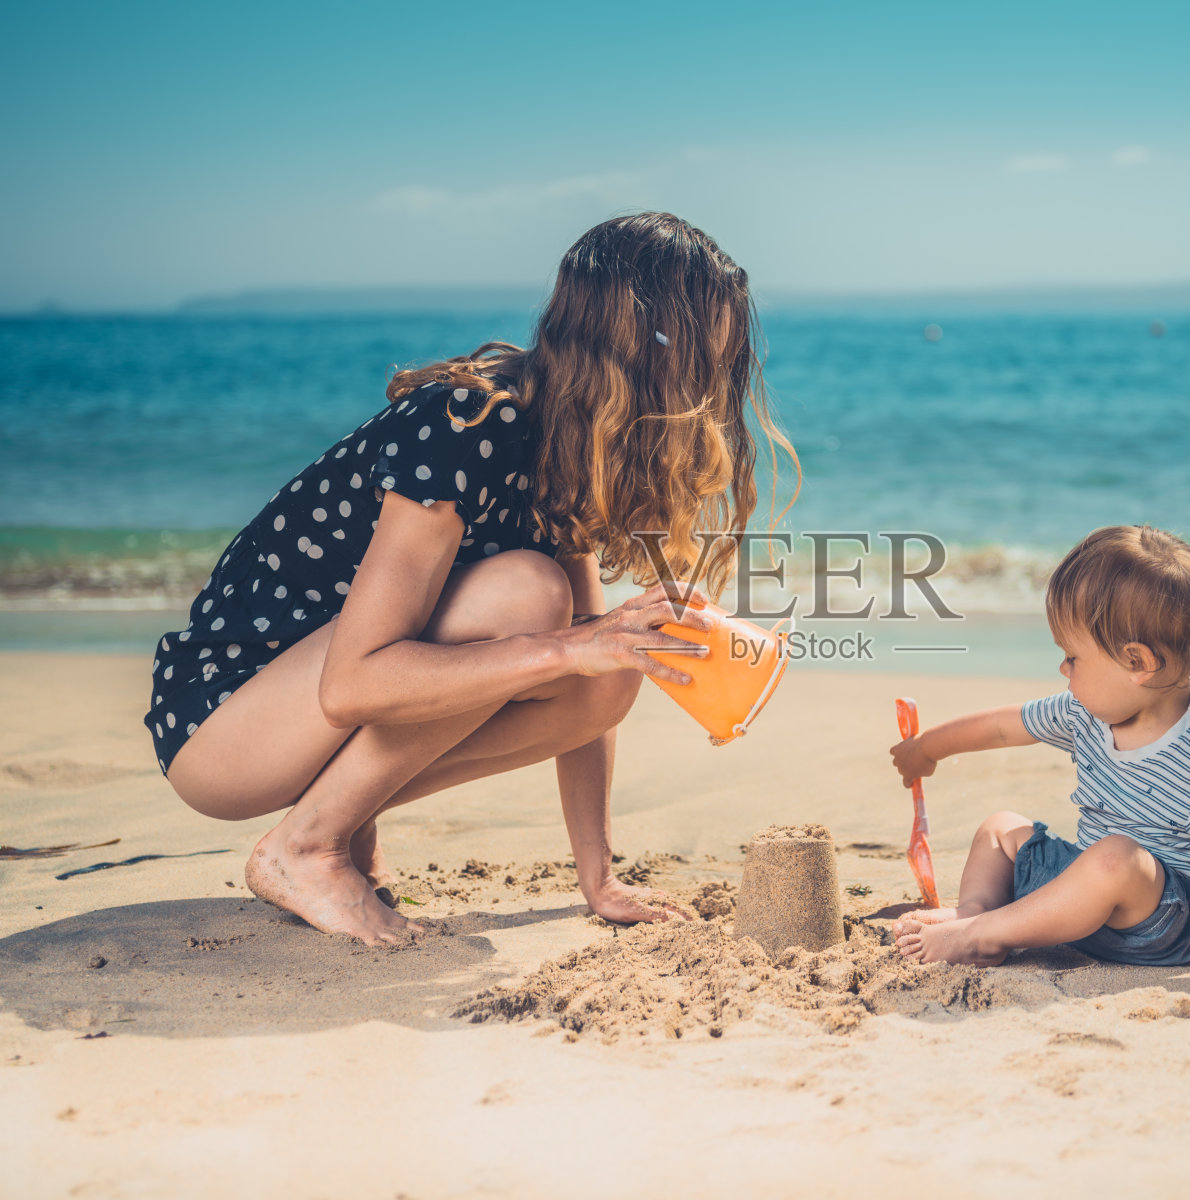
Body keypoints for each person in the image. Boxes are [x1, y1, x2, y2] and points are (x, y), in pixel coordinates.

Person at [145, 213, 796, 946]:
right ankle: (307, 848)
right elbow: (350, 686)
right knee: (534, 598)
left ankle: (337, 823)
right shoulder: (470, 421)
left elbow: (586, 677)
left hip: (305, 719)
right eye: (699, 358)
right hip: (224, 720)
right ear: (635, 343)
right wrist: (564, 648)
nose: (708, 390)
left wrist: (599, 877)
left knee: (612, 666)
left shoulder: (569, 445)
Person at [887, 525, 1190, 972]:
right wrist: (926, 749)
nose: (1063, 668)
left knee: (1115, 857)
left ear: (1137, 662)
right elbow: (1001, 728)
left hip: (1167, 927)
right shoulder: (1084, 712)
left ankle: (982, 934)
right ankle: (977, 912)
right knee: (1000, 828)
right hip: (1082, 904)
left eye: (1073, 657)